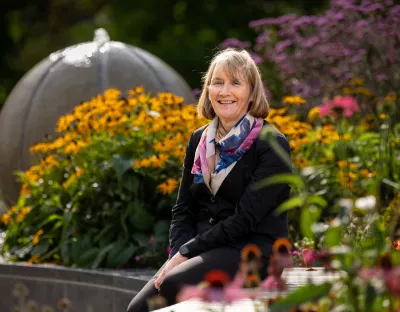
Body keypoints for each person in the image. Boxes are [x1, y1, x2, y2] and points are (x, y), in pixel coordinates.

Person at [126, 48, 291, 312]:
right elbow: (184, 208)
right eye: (218, 82)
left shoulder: (271, 145)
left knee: (172, 285)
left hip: (253, 252)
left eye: (236, 83)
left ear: (251, 92)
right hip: (205, 249)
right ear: (208, 90)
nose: (225, 91)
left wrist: (187, 253)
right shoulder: (199, 140)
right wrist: (180, 253)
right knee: (137, 308)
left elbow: (245, 219)